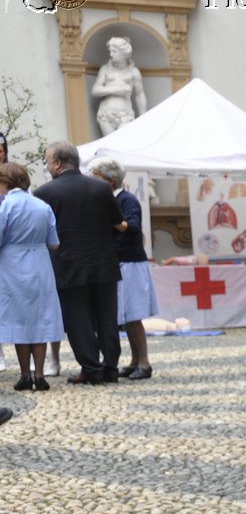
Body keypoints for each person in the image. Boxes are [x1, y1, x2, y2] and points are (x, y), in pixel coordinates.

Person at [35, 142, 126, 384]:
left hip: (68, 265)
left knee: (78, 320)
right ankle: (111, 368)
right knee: (107, 317)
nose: (47, 165)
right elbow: (117, 220)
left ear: (56, 164)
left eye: (47, 161)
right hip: (104, 263)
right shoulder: (100, 188)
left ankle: (91, 368)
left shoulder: (44, 193)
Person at [85, 158, 159, 379]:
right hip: (117, 262)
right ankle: (135, 360)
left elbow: (134, 228)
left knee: (134, 315)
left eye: (96, 178)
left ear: (110, 179)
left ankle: (144, 362)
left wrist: (113, 220)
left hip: (130, 263)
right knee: (126, 316)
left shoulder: (127, 200)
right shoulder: (108, 200)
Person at [0, 162, 64, 391]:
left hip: (12, 265)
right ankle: (39, 374)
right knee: (41, 318)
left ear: (5, 182)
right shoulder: (42, 206)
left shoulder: (5, 205)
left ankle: (25, 374)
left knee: (20, 320)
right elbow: (54, 243)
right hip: (40, 263)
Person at [90, 37, 147, 136]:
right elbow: (95, 90)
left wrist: (144, 117)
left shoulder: (134, 72)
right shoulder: (105, 69)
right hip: (106, 114)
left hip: (125, 115)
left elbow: (140, 95)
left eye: (114, 52)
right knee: (109, 146)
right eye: (110, 51)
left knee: (122, 143)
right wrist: (116, 90)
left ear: (124, 53)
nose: (111, 54)